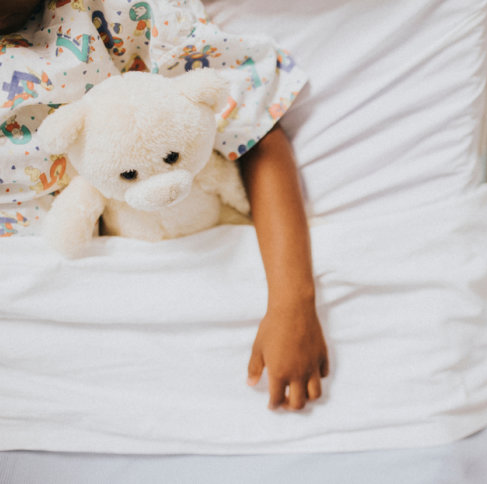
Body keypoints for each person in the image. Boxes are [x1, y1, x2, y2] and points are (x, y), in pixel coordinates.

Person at [0, 0, 328, 412]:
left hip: (206, 279)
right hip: (61, 337)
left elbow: (253, 129)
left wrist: (292, 303)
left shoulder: (120, 14)